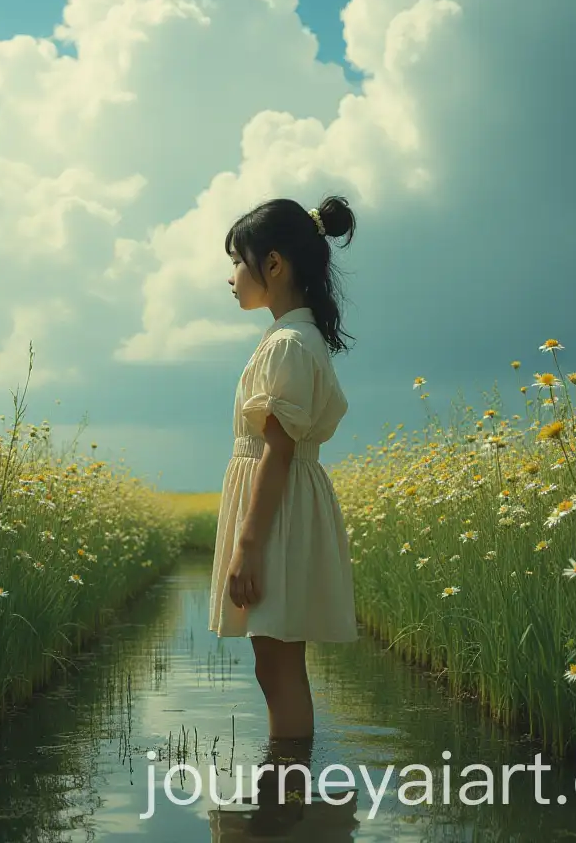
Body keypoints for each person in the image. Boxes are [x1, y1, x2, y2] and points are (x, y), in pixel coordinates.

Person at [208, 195, 360, 746]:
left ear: (273, 265)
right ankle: (289, 799)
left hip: (276, 511)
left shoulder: (290, 344)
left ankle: (288, 801)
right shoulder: (293, 339)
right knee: (274, 663)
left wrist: (247, 545)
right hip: (282, 505)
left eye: (236, 260)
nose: (230, 277)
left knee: (276, 665)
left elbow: (277, 450)